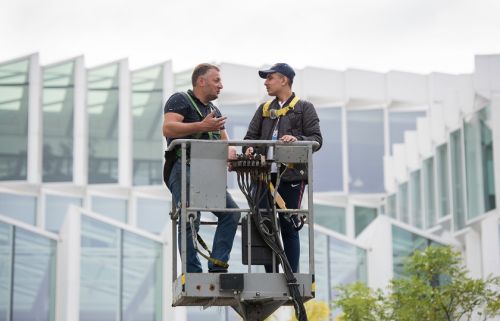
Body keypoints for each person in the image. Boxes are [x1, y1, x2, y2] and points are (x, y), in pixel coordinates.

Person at [243, 63, 322, 273]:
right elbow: (249, 138)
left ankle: (291, 273)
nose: (266, 83)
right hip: (263, 177)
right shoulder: (264, 109)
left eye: (270, 78)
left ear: (284, 80)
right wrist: (249, 148)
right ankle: (271, 273)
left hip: (291, 176)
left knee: (288, 224)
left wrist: (297, 139)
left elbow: (316, 139)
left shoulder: (304, 108)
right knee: (265, 225)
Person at [163, 63, 240, 273]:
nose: (221, 86)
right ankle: (193, 272)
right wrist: (201, 126)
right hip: (183, 167)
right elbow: (168, 128)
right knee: (190, 215)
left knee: (231, 213)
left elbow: (225, 141)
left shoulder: (214, 111)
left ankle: (217, 265)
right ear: (201, 81)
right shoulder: (180, 100)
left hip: (207, 173)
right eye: (217, 81)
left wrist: (232, 154)